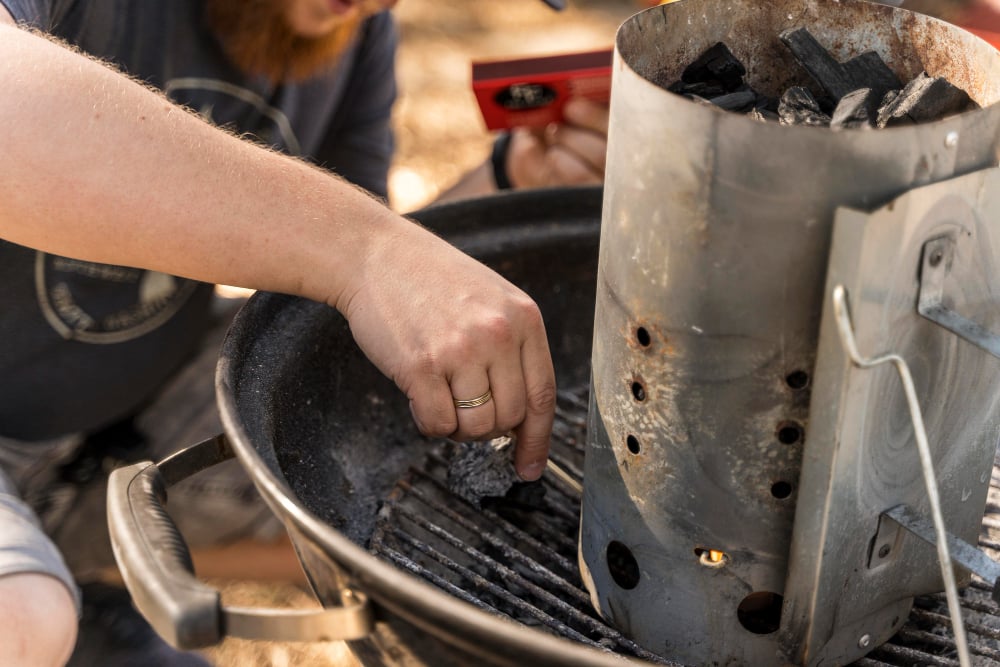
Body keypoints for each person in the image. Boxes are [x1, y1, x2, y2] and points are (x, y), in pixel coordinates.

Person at [0, 0, 609, 665]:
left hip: (124, 417)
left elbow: (350, 305)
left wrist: (507, 180)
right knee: (24, 617)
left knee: (352, 473)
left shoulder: (353, 34)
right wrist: (367, 249)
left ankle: (78, 576)